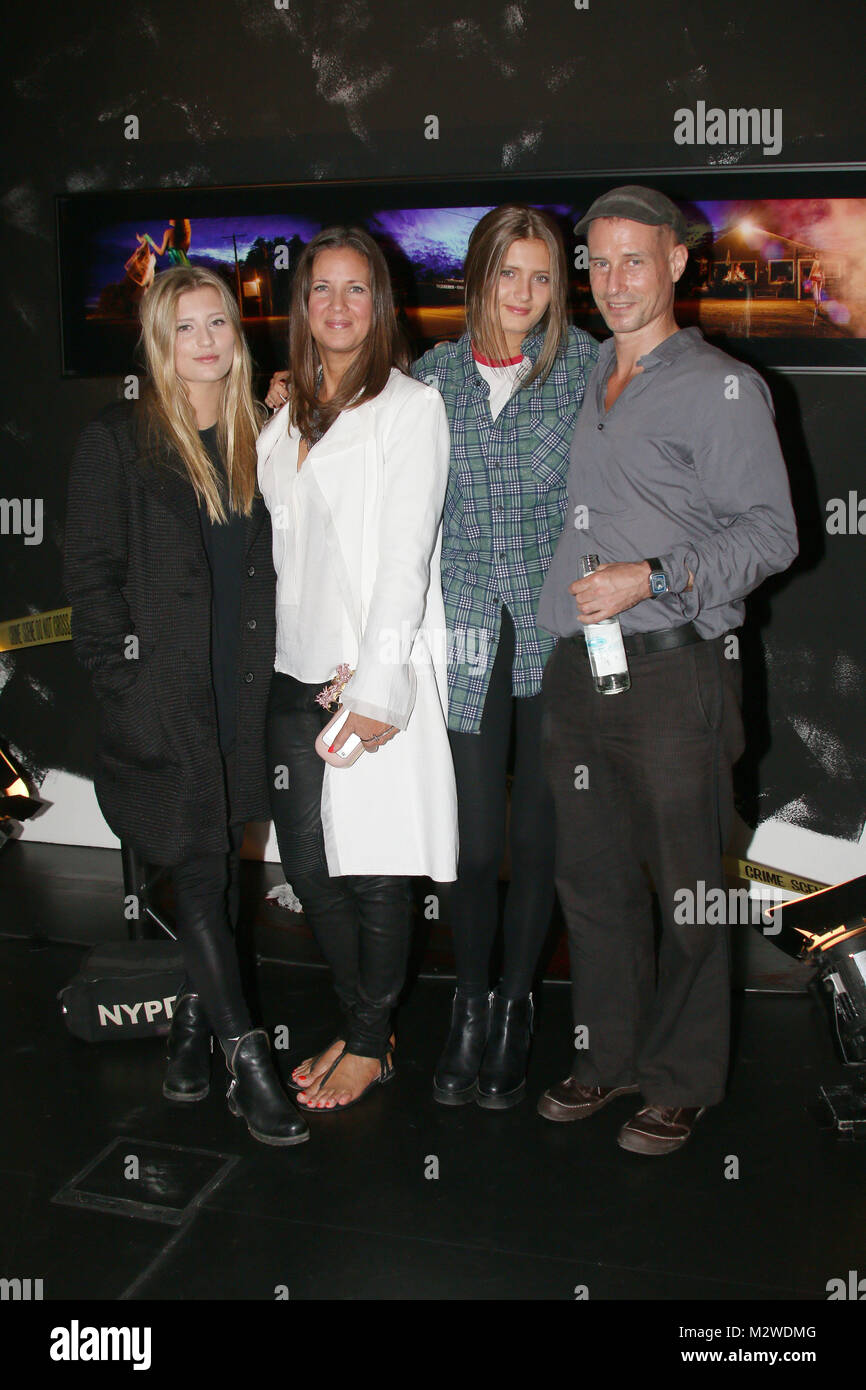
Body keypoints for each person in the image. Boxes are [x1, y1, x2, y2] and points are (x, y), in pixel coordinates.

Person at [268, 207, 597, 1110]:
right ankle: (468, 1003)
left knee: (536, 836)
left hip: (555, 629)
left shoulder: (587, 370)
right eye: (507, 275)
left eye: (541, 278)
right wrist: (284, 397)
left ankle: (516, 1007)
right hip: (458, 635)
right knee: (473, 841)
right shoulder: (432, 379)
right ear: (476, 279)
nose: (524, 295)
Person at [537, 185, 798, 1154]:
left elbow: (772, 533)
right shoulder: (584, 373)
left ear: (677, 264)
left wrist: (654, 574)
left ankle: (680, 1078)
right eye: (596, 263)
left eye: (631, 260)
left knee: (689, 887)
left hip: (676, 672)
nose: (611, 281)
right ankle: (606, 1058)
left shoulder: (720, 385)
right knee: (591, 881)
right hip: (579, 670)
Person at [64, 265, 308, 1147]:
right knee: (204, 874)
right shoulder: (118, 440)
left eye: (219, 325)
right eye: (186, 328)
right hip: (165, 698)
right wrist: (125, 691)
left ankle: (192, 1037)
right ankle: (250, 1063)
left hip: (239, 694)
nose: (206, 341)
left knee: (225, 865)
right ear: (160, 343)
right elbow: (90, 586)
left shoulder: (260, 435)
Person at [259, 227, 457, 1113]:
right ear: (302, 306)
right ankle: (360, 1019)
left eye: (356, 289)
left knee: (375, 869)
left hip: (362, 673)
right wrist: (277, 413)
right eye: (321, 290)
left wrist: (383, 683)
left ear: (380, 305)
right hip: (292, 670)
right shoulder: (288, 410)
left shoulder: (409, 408)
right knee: (307, 869)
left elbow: (406, 556)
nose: (338, 305)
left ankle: (371, 1042)